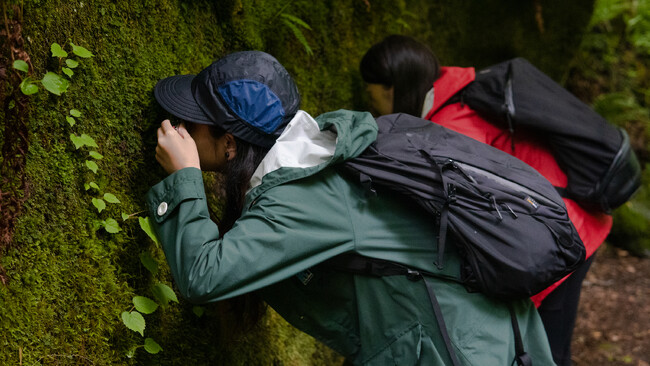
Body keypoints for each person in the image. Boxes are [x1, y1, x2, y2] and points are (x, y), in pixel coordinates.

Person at [147, 50, 556, 365]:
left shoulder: (303, 195)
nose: (180, 130)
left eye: (192, 123)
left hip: (461, 347)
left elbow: (204, 276)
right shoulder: (313, 154)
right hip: (469, 332)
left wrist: (184, 175)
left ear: (231, 144)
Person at [360, 35, 613, 366]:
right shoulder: (454, 92)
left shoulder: (452, 123)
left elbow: (474, 209)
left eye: (371, 92)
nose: (371, 103)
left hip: (566, 228)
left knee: (547, 349)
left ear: (393, 88)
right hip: (564, 218)